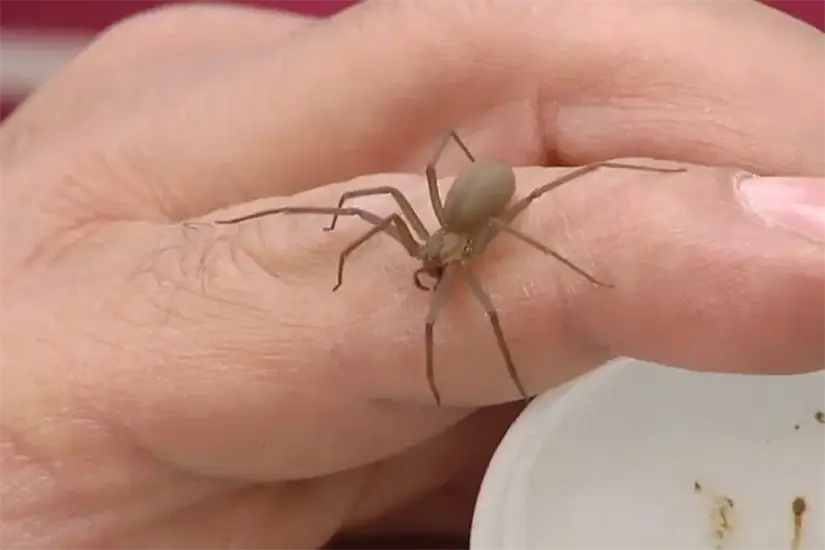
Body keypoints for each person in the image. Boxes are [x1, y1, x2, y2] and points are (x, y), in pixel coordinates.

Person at [2, 1, 825, 549]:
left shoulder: (475, 242)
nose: (426, 269)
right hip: (465, 221)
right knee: (366, 211)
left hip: (486, 203)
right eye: (428, 259)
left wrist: (540, 278)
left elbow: (517, 242)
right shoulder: (421, 234)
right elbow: (368, 205)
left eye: (431, 261)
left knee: (533, 253)